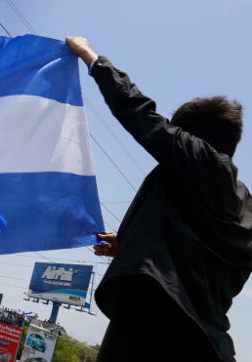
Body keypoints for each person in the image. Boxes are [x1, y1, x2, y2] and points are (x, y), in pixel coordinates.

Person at [66, 36, 252, 362]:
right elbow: (208, 273)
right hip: (207, 344)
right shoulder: (244, 207)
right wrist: (133, 247)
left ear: (191, 138)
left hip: (150, 326)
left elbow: (140, 113)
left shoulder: (201, 159)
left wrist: (91, 58)